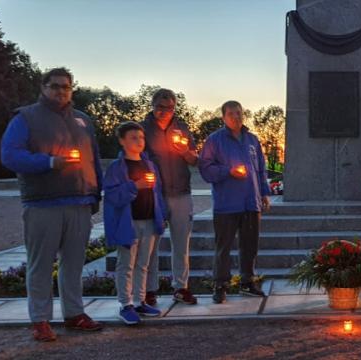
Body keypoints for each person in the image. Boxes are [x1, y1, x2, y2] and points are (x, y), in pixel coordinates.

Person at [0, 67, 103, 341]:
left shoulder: (82, 120)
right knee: (41, 264)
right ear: (43, 87)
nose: (61, 91)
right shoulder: (26, 117)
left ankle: (74, 313)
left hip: (79, 201)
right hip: (43, 202)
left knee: (74, 264)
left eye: (66, 87)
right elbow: (10, 155)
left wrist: (95, 194)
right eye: (55, 86)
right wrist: (48, 162)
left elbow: (93, 158)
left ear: (72, 89)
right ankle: (41, 319)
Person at [199, 100, 271, 304]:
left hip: (251, 202)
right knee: (224, 247)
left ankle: (247, 282)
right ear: (223, 117)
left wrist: (264, 193)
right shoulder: (214, 140)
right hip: (227, 203)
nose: (236, 117)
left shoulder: (251, 140)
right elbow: (205, 168)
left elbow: (260, 169)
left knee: (250, 246)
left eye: (239, 113)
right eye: (231, 114)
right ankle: (220, 285)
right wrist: (228, 171)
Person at [103, 121, 167, 324]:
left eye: (141, 137)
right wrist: (135, 186)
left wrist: (161, 216)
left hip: (149, 220)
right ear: (122, 141)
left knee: (143, 264)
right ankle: (125, 304)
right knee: (126, 264)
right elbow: (112, 195)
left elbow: (158, 193)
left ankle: (140, 301)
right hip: (128, 222)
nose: (139, 141)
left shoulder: (149, 165)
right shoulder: (116, 168)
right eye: (133, 137)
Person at [140, 88, 199, 306]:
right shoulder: (143, 129)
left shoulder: (182, 128)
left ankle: (181, 287)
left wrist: (184, 151)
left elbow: (195, 160)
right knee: (150, 245)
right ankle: (148, 289)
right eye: (160, 107)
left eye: (170, 107)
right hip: (154, 195)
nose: (165, 111)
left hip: (181, 192)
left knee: (181, 244)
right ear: (153, 105)